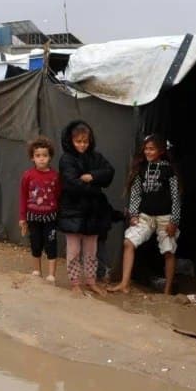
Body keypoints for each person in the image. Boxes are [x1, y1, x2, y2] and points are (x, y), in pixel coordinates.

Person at [109, 134, 182, 295]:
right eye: (146, 149)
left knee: (169, 251)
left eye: (152, 149)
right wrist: (134, 214)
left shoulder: (168, 170)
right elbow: (135, 194)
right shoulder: (141, 169)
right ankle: (124, 283)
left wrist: (174, 221)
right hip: (145, 217)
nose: (148, 152)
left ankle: (167, 291)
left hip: (165, 218)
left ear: (161, 151)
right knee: (129, 242)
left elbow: (176, 197)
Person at [57, 120, 114, 296]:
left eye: (85, 141)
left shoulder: (95, 157)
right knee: (73, 250)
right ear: (71, 140)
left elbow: (109, 171)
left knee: (91, 250)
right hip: (73, 211)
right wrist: (95, 186)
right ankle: (75, 283)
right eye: (78, 141)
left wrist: (92, 176)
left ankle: (90, 282)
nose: (82, 145)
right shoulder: (66, 159)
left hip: (93, 212)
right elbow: (71, 183)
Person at [18, 136, 60, 282]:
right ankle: (37, 270)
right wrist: (23, 218)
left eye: (45, 155)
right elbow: (23, 196)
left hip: (50, 218)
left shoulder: (55, 176)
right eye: (38, 156)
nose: (41, 159)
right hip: (33, 217)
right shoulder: (28, 175)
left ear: (50, 157)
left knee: (51, 244)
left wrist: (59, 215)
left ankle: (51, 274)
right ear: (32, 158)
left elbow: (58, 196)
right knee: (35, 243)